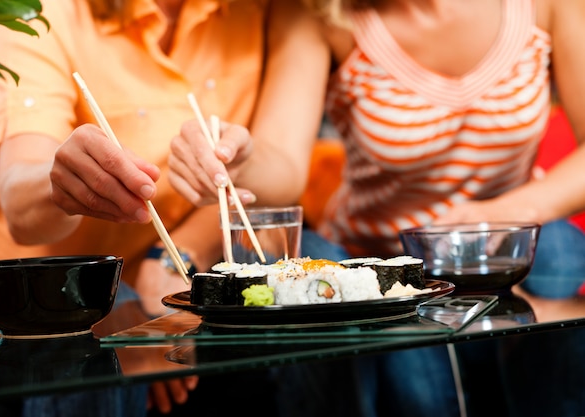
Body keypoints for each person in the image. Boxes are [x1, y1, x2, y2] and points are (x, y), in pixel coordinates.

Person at [167, 0, 585, 415]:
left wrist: (500, 212)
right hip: (372, 261)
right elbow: (285, 165)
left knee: (558, 250)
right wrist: (239, 163)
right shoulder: (316, 13)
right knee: (417, 394)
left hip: (492, 250)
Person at [0, 0, 319, 415]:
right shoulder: (43, 9)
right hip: (26, 292)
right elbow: (23, 211)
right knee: (89, 352)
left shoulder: (272, 11)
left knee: (315, 259)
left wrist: (170, 256)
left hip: (155, 273)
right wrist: (61, 182)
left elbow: (281, 181)